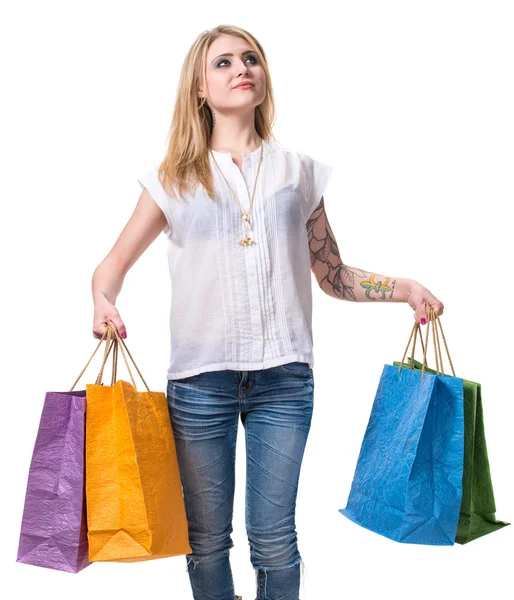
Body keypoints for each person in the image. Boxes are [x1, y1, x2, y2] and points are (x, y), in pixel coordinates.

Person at [91, 24, 444, 600]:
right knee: (205, 540)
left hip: (284, 379)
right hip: (199, 382)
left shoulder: (298, 173)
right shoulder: (173, 179)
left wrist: (404, 287)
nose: (241, 69)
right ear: (199, 88)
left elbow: (333, 275)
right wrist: (103, 301)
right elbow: (111, 266)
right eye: (224, 62)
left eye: (249, 58)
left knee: (275, 538)